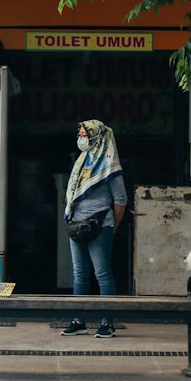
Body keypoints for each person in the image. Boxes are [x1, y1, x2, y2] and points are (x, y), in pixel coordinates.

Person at [62, 118, 127, 339]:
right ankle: (78, 320)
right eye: (79, 134)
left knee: (102, 273)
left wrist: (112, 227)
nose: (80, 138)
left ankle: (107, 322)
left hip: (100, 226)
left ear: (95, 137)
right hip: (77, 225)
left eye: (83, 134)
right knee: (79, 273)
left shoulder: (109, 166)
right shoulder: (82, 161)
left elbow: (121, 200)